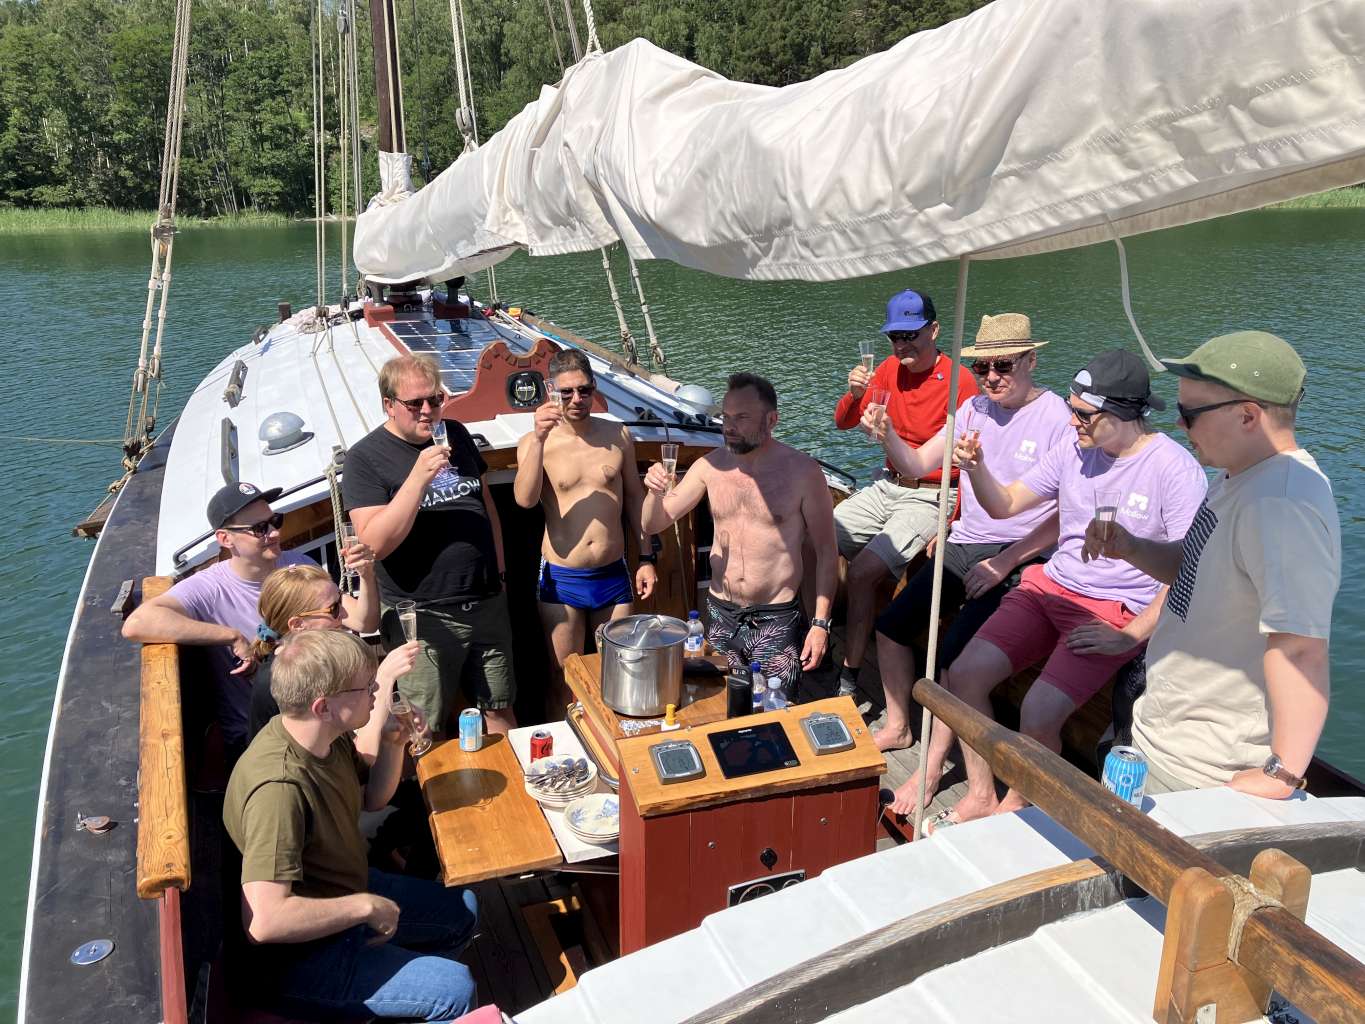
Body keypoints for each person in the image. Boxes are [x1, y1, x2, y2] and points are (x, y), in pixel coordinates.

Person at [913, 350, 1207, 829]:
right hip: (1050, 587)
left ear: (1123, 413)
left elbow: (1189, 573)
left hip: (1113, 610)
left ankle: (1020, 807)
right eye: (1072, 409)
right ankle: (984, 795)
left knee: (1039, 711)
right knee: (963, 673)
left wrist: (1131, 635)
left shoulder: (1173, 470)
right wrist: (976, 467)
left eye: (1084, 414)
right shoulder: (1075, 450)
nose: (1072, 422)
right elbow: (1005, 504)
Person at [1084, 331, 1338, 797]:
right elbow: (1194, 571)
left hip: (1202, 768)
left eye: (1190, 414)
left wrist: (1281, 774)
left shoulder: (1281, 506)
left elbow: (1302, 650)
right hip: (1159, 732)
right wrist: (1132, 547)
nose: (1179, 426)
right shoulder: (1238, 476)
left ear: (1247, 416)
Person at [864, 315, 1073, 810]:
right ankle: (897, 726)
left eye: (1004, 365)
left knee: (955, 659)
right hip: (965, 542)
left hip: (1020, 554)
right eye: (983, 366)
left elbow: (1068, 512)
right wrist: (888, 434)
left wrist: (1007, 562)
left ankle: (949, 778)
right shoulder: (973, 409)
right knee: (892, 626)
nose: (992, 376)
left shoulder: (1058, 419)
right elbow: (917, 465)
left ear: (1031, 360)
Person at [224, 629, 478, 1021]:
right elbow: (265, 921)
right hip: (299, 958)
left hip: (345, 891)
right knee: (454, 991)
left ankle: (395, 1001)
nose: (377, 690)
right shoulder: (279, 789)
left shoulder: (321, 735)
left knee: (463, 911)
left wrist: (395, 744)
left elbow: (369, 799)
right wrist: (362, 907)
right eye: (366, 687)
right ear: (323, 706)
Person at [344, 354, 517, 737]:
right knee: (423, 729)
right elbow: (374, 544)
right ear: (388, 404)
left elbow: (485, 504)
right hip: (421, 619)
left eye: (434, 400)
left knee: (500, 712)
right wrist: (418, 478)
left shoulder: (455, 432)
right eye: (414, 404)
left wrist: (500, 574)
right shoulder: (364, 460)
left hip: (486, 604)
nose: (427, 411)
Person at [642, 373, 837, 695]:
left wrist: (819, 624)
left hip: (777, 616)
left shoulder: (803, 472)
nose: (729, 426)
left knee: (773, 707)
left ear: (772, 419)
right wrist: (654, 492)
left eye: (742, 418)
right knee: (718, 704)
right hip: (721, 612)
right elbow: (654, 523)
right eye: (726, 417)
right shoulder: (710, 467)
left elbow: (827, 553)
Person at [832, 288, 979, 697]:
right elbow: (844, 421)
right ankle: (818, 634)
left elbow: (967, 460)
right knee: (814, 539)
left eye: (911, 335)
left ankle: (849, 674)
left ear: (934, 330)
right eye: (895, 337)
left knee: (862, 572)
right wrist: (856, 394)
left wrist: (952, 523)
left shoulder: (960, 381)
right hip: (888, 483)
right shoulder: (886, 370)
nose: (902, 345)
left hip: (933, 493)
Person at [121, 482, 335, 754]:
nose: (274, 532)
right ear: (225, 539)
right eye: (260, 528)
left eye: (275, 521)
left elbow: (352, 620)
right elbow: (137, 624)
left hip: (320, 711)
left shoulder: (299, 565)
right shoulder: (209, 588)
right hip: (261, 738)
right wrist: (231, 636)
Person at [514, 349, 657, 713]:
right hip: (562, 579)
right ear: (551, 392)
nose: (577, 400)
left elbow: (635, 500)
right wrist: (540, 439)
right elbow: (525, 499)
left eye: (584, 390)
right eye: (566, 393)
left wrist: (646, 557)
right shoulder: (535, 443)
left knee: (620, 672)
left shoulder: (617, 434)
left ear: (594, 389)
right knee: (565, 678)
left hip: (613, 574)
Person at [246, 562, 416, 742]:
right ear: (298, 625)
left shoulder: (320, 657)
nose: (344, 614)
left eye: (340, 602)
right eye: (333, 609)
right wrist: (384, 678)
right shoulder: (278, 682)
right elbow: (360, 758)